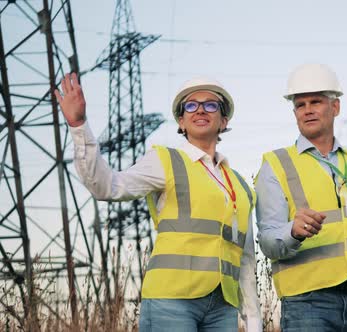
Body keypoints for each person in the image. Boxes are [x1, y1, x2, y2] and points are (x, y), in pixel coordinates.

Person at [54, 73, 262, 331]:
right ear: (181, 121)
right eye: (191, 105)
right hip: (172, 301)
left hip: (223, 307)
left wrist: (253, 320)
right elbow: (106, 186)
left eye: (210, 105)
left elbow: (245, 257)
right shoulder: (164, 161)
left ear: (223, 120)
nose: (200, 110)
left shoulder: (241, 186)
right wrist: (79, 126)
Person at [255, 63, 347, 331]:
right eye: (300, 104)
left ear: (335, 108)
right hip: (307, 305)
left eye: (316, 102)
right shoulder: (275, 164)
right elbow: (267, 242)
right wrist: (292, 232)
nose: (308, 109)